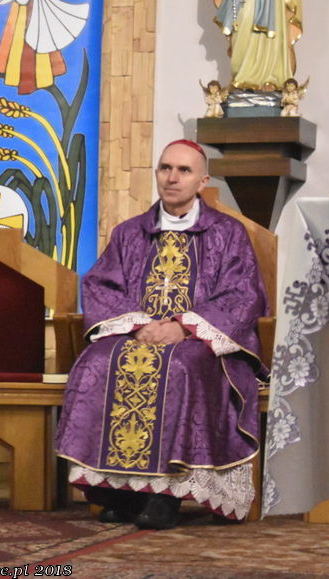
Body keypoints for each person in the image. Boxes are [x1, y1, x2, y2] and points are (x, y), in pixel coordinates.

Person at [55, 139, 267, 530]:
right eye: (165, 168)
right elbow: (101, 285)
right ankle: (119, 493)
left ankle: (166, 495)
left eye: (184, 170)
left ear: (202, 181)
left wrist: (184, 325)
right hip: (138, 333)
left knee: (180, 368)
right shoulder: (129, 233)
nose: (172, 177)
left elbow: (243, 295)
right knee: (96, 364)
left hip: (201, 342)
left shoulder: (227, 233)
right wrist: (140, 324)